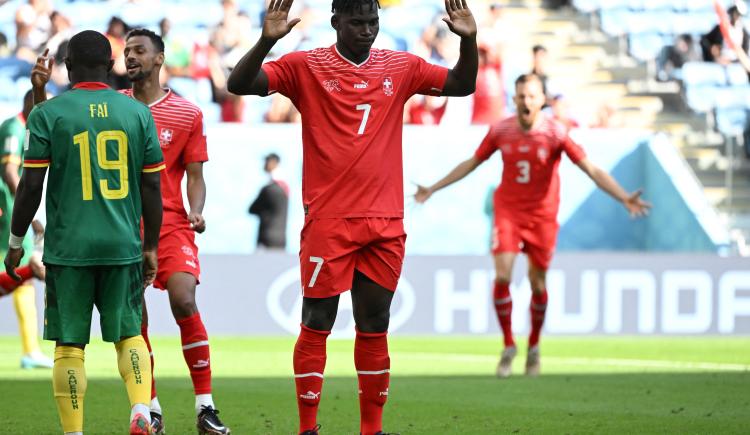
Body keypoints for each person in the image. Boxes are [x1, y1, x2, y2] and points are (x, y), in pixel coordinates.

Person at [226, 0, 478, 433]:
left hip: (385, 221)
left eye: (373, 21)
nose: (367, 29)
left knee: (375, 323)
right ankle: (308, 427)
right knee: (317, 321)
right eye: (357, 21)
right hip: (329, 220)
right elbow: (239, 84)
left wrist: (469, 41)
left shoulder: (401, 66)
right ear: (335, 22)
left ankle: (371, 429)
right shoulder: (305, 66)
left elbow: (460, 84)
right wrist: (267, 40)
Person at [415, 74, 651, 378]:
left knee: (538, 283)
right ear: (513, 99)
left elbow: (591, 169)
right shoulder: (501, 130)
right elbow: (471, 163)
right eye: (521, 96)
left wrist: (623, 197)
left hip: (542, 217)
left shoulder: (556, 133)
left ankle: (535, 346)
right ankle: (509, 344)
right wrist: (433, 187)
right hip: (509, 212)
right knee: (502, 274)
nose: (526, 101)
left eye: (531, 96)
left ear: (543, 100)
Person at [5, 30, 164, 434]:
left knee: (70, 347)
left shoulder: (48, 113)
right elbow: (152, 188)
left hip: (68, 248)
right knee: (129, 335)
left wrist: (16, 241)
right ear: (110, 65)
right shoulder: (137, 113)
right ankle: (142, 410)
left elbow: (29, 186)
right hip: (122, 245)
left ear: (68, 66)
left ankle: (74, 431)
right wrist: (150, 247)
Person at [122, 28, 229, 435]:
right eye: (127, 51)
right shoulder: (115, 108)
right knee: (136, 321)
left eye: (139, 51)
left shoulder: (187, 113)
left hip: (170, 225)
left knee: (184, 299)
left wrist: (196, 210)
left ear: (159, 58)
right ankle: (149, 406)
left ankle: (205, 406)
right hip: (123, 227)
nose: (130, 57)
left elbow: (195, 175)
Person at [0, 88, 52, 369]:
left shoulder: (28, 129)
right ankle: (30, 350)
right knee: (22, 272)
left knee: (23, 279)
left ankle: (30, 350)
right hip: (6, 214)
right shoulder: (14, 127)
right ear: (32, 103)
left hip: (12, 211)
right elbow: (10, 171)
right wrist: (27, 215)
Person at [249, 153, 289, 250]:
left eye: (267, 161)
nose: (265, 164)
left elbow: (252, 209)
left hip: (266, 239)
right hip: (280, 239)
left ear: (274, 163)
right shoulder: (284, 188)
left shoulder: (269, 189)